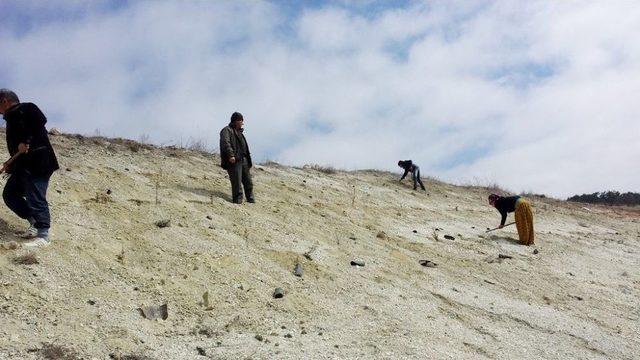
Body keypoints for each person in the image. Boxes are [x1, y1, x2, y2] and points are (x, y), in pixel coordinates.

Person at [0, 89, 59, 247]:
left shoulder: (26, 108)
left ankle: (43, 235)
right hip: (23, 166)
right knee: (10, 194)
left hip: (39, 162)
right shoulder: (11, 119)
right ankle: (34, 223)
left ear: (5, 101)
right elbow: (18, 151)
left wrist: (26, 141)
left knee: (35, 196)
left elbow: (40, 121)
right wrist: (9, 164)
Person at [220, 112, 254, 204]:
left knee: (248, 182)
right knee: (237, 182)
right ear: (236, 121)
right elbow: (225, 143)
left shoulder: (240, 133)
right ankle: (238, 201)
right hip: (234, 161)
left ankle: (251, 200)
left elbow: (245, 148)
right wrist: (231, 155)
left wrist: (249, 161)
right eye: (241, 120)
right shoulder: (226, 130)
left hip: (244, 160)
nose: (242, 123)